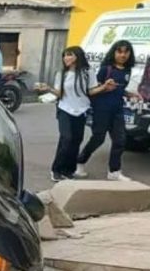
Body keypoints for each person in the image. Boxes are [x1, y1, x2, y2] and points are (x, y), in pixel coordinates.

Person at [75, 40, 141, 181]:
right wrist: (105, 86)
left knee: (120, 140)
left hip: (117, 109)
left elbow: (120, 88)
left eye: (126, 52)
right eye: (120, 51)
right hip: (102, 108)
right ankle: (80, 162)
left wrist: (130, 94)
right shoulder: (106, 69)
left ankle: (114, 171)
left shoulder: (127, 70)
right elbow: (95, 88)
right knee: (98, 138)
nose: (123, 55)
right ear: (114, 52)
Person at [46, 46, 109, 182]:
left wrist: (103, 87)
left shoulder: (87, 72)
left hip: (81, 111)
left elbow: (91, 91)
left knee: (76, 141)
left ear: (78, 56)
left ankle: (69, 170)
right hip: (65, 109)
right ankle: (56, 170)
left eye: (70, 55)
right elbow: (59, 93)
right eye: (65, 55)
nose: (66, 58)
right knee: (66, 138)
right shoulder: (61, 73)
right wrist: (48, 89)